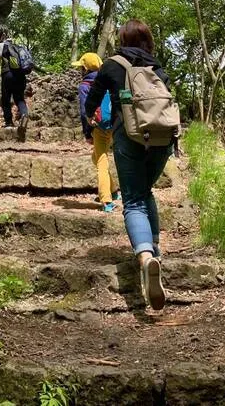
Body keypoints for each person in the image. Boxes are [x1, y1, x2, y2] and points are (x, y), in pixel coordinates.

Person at [84, 20, 173, 311]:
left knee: (133, 200)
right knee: (146, 191)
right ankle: (156, 250)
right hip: (162, 138)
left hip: (130, 136)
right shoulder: (157, 67)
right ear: (148, 40)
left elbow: (93, 99)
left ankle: (146, 258)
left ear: (122, 39)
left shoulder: (112, 65)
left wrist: (89, 118)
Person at [72, 52, 120, 213]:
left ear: (85, 68)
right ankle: (113, 191)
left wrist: (87, 133)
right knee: (96, 157)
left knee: (101, 161)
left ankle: (106, 200)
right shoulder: (108, 79)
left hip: (99, 127)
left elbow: (85, 111)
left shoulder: (85, 85)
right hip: (115, 124)